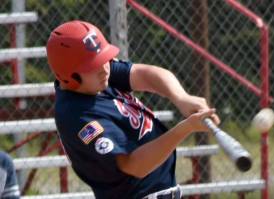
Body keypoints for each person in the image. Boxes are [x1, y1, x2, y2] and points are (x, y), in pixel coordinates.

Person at [46, 20, 220, 199]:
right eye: (94, 65)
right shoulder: (77, 116)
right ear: (69, 76)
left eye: (104, 60)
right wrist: (186, 128)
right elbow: (134, 165)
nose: (105, 69)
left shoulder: (96, 78)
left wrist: (181, 98)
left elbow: (145, 74)